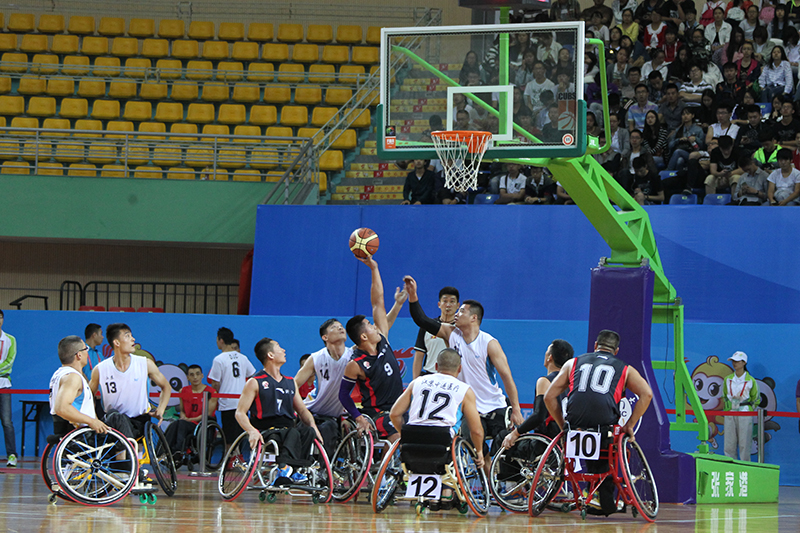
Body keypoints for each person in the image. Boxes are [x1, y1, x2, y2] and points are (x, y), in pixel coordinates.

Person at [404, 275, 525, 454]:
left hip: (494, 404)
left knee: (505, 447)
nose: (456, 314)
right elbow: (421, 319)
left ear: (473, 318)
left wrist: (516, 409)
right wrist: (413, 296)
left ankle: (504, 478)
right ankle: (485, 478)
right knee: (476, 449)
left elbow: (507, 378)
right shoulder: (450, 333)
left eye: (461, 311)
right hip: (470, 405)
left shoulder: (489, 343)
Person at [544, 330, 653, 517]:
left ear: (595, 345)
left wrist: (563, 424)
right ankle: (601, 497)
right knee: (607, 443)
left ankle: (592, 493)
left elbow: (549, 396)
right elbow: (647, 394)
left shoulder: (573, 363)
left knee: (587, 434)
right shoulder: (625, 368)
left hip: (574, 424)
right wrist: (630, 425)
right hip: (603, 428)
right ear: (616, 351)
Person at [236, 338, 324, 482]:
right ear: (270, 355)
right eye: (279, 347)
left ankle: (294, 470)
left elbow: (302, 411)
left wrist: (314, 427)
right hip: (267, 431)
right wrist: (251, 431)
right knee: (293, 432)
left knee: (308, 431)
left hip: (288, 430)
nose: (283, 350)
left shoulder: (290, 382)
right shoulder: (255, 382)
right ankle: (284, 468)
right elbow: (240, 412)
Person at [338, 256, 406, 442]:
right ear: (363, 336)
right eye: (369, 324)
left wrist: (374, 268)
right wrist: (358, 418)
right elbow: (343, 395)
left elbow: (378, 302)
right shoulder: (356, 364)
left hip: (400, 408)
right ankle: (387, 471)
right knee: (398, 436)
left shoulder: (383, 340)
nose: (375, 326)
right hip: (378, 413)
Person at [390, 347, 484, 456]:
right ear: (459, 369)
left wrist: (406, 435)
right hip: (441, 438)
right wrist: (479, 452)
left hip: (413, 436)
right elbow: (476, 431)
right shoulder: (464, 390)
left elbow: (394, 414)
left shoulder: (417, 382)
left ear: (436, 366)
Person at [90, 323, 171, 441]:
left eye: (131, 336)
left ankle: (127, 454)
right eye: (127, 336)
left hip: (139, 422)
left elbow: (166, 387)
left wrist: (161, 409)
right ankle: (126, 454)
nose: (133, 339)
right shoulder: (100, 369)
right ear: (116, 343)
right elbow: (88, 396)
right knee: (116, 417)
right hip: (113, 423)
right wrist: (94, 418)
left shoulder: (145, 363)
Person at [502, 339, 575, 448]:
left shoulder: (545, 381)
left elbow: (539, 416)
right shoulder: (571, 383)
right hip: (565, 438)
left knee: (502, 437)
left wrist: (516, 432)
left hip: (545, 442)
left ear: (550, 357)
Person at [49, 336, 109, 437]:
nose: (88, 353)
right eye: (86, 349)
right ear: (79, 355)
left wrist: (96, 421)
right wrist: (91, 421)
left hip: (76, 432)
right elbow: (61, 408)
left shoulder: (58, 374)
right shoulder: (72, 377)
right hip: (80, 435)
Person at [208, 326, 257, 448]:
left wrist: (217, 396)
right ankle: (238, 458)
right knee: (240, 433)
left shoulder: (219, 359)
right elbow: (252, 375)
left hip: (227, 402)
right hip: (242, 401)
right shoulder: (243, 357)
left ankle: (230, 459)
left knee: (229, 435)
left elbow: (215, 383)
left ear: (221, 340)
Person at [164, 364, 217, 466]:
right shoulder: (183, 391)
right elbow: (182, 410)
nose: (195, 377)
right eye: (192, 375)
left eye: (197, 374)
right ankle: (165, 451)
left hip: (202, 425)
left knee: (180, 424)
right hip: (187, 423)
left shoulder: (211, 392)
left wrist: (189, 419)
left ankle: (176, 451)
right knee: (175, 424)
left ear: (202, 375)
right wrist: (183, 416)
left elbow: (208, 415)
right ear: (188, 377)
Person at [412, 287, 459, 379]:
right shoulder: (427, 326)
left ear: (458, 305)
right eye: (445, 301)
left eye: (452, 301)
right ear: (439, 304)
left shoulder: (461, 329)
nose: (448, 305)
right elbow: (419, 356)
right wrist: (415, 382)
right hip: (429, 375)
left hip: (453, 378)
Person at [723, 351, 759, 462]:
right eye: (733, 361)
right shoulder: (727, 379)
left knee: (745, 443)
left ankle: (745, 469)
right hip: (730, 412)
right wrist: (728, 407)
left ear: (744, 362)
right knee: (729, 443)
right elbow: (724, 395)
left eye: (737, 361)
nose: (734, 363)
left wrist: (749, 408)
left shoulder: (750, 380)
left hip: (745, 412)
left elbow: (755, 399)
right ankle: (730, 468)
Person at [0, 310, 17, 467]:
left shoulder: (10, 339)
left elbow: (9, 363)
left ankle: (12, 454)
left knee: (6, 421)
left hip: (4, 385)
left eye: (0, 317)